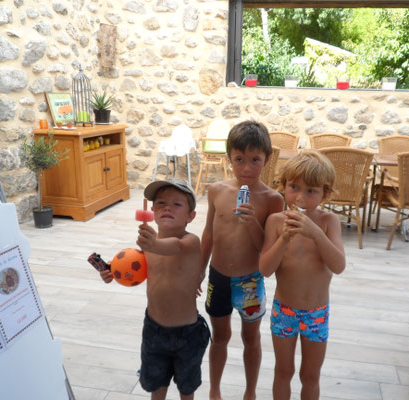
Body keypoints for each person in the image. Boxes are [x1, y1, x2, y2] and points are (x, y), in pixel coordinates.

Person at [100, 178, 210, 400]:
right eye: (160, 203)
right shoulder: (147, 247)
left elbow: (175, 247)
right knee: (156, 384)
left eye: (176, 204)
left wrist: (153, 244)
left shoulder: (190, 242)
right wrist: (113, 272)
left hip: (187, 333)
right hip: (154, 330)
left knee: (187, 388)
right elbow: (133, 269)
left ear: (190, 216)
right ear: (151, 212)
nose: (167, 207)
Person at [200, 120, 285, 400]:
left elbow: (267, 249)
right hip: (218, 276)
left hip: (250, 280)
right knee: (220, 337)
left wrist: (252, 223)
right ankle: (214, 390)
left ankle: (250, 392)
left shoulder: (273, 200)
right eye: (239, 159)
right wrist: (198, 270)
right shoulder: (216, 190)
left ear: (267, 159)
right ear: (229, 158)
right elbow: (209, 234)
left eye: (255, 160)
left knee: (251, 338)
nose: (246, 168)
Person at [259, 150, 346, 399]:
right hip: (284, 311)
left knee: (310, 375)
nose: (300, 197)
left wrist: (316, 234)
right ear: (283, 186)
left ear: (325, 194)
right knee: (283, 371)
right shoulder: (275, 222)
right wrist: (284, 238)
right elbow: (265, 269)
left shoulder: (329, 222)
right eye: (294, 187)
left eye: (311, 191)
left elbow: (338, 265)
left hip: (316, 313)